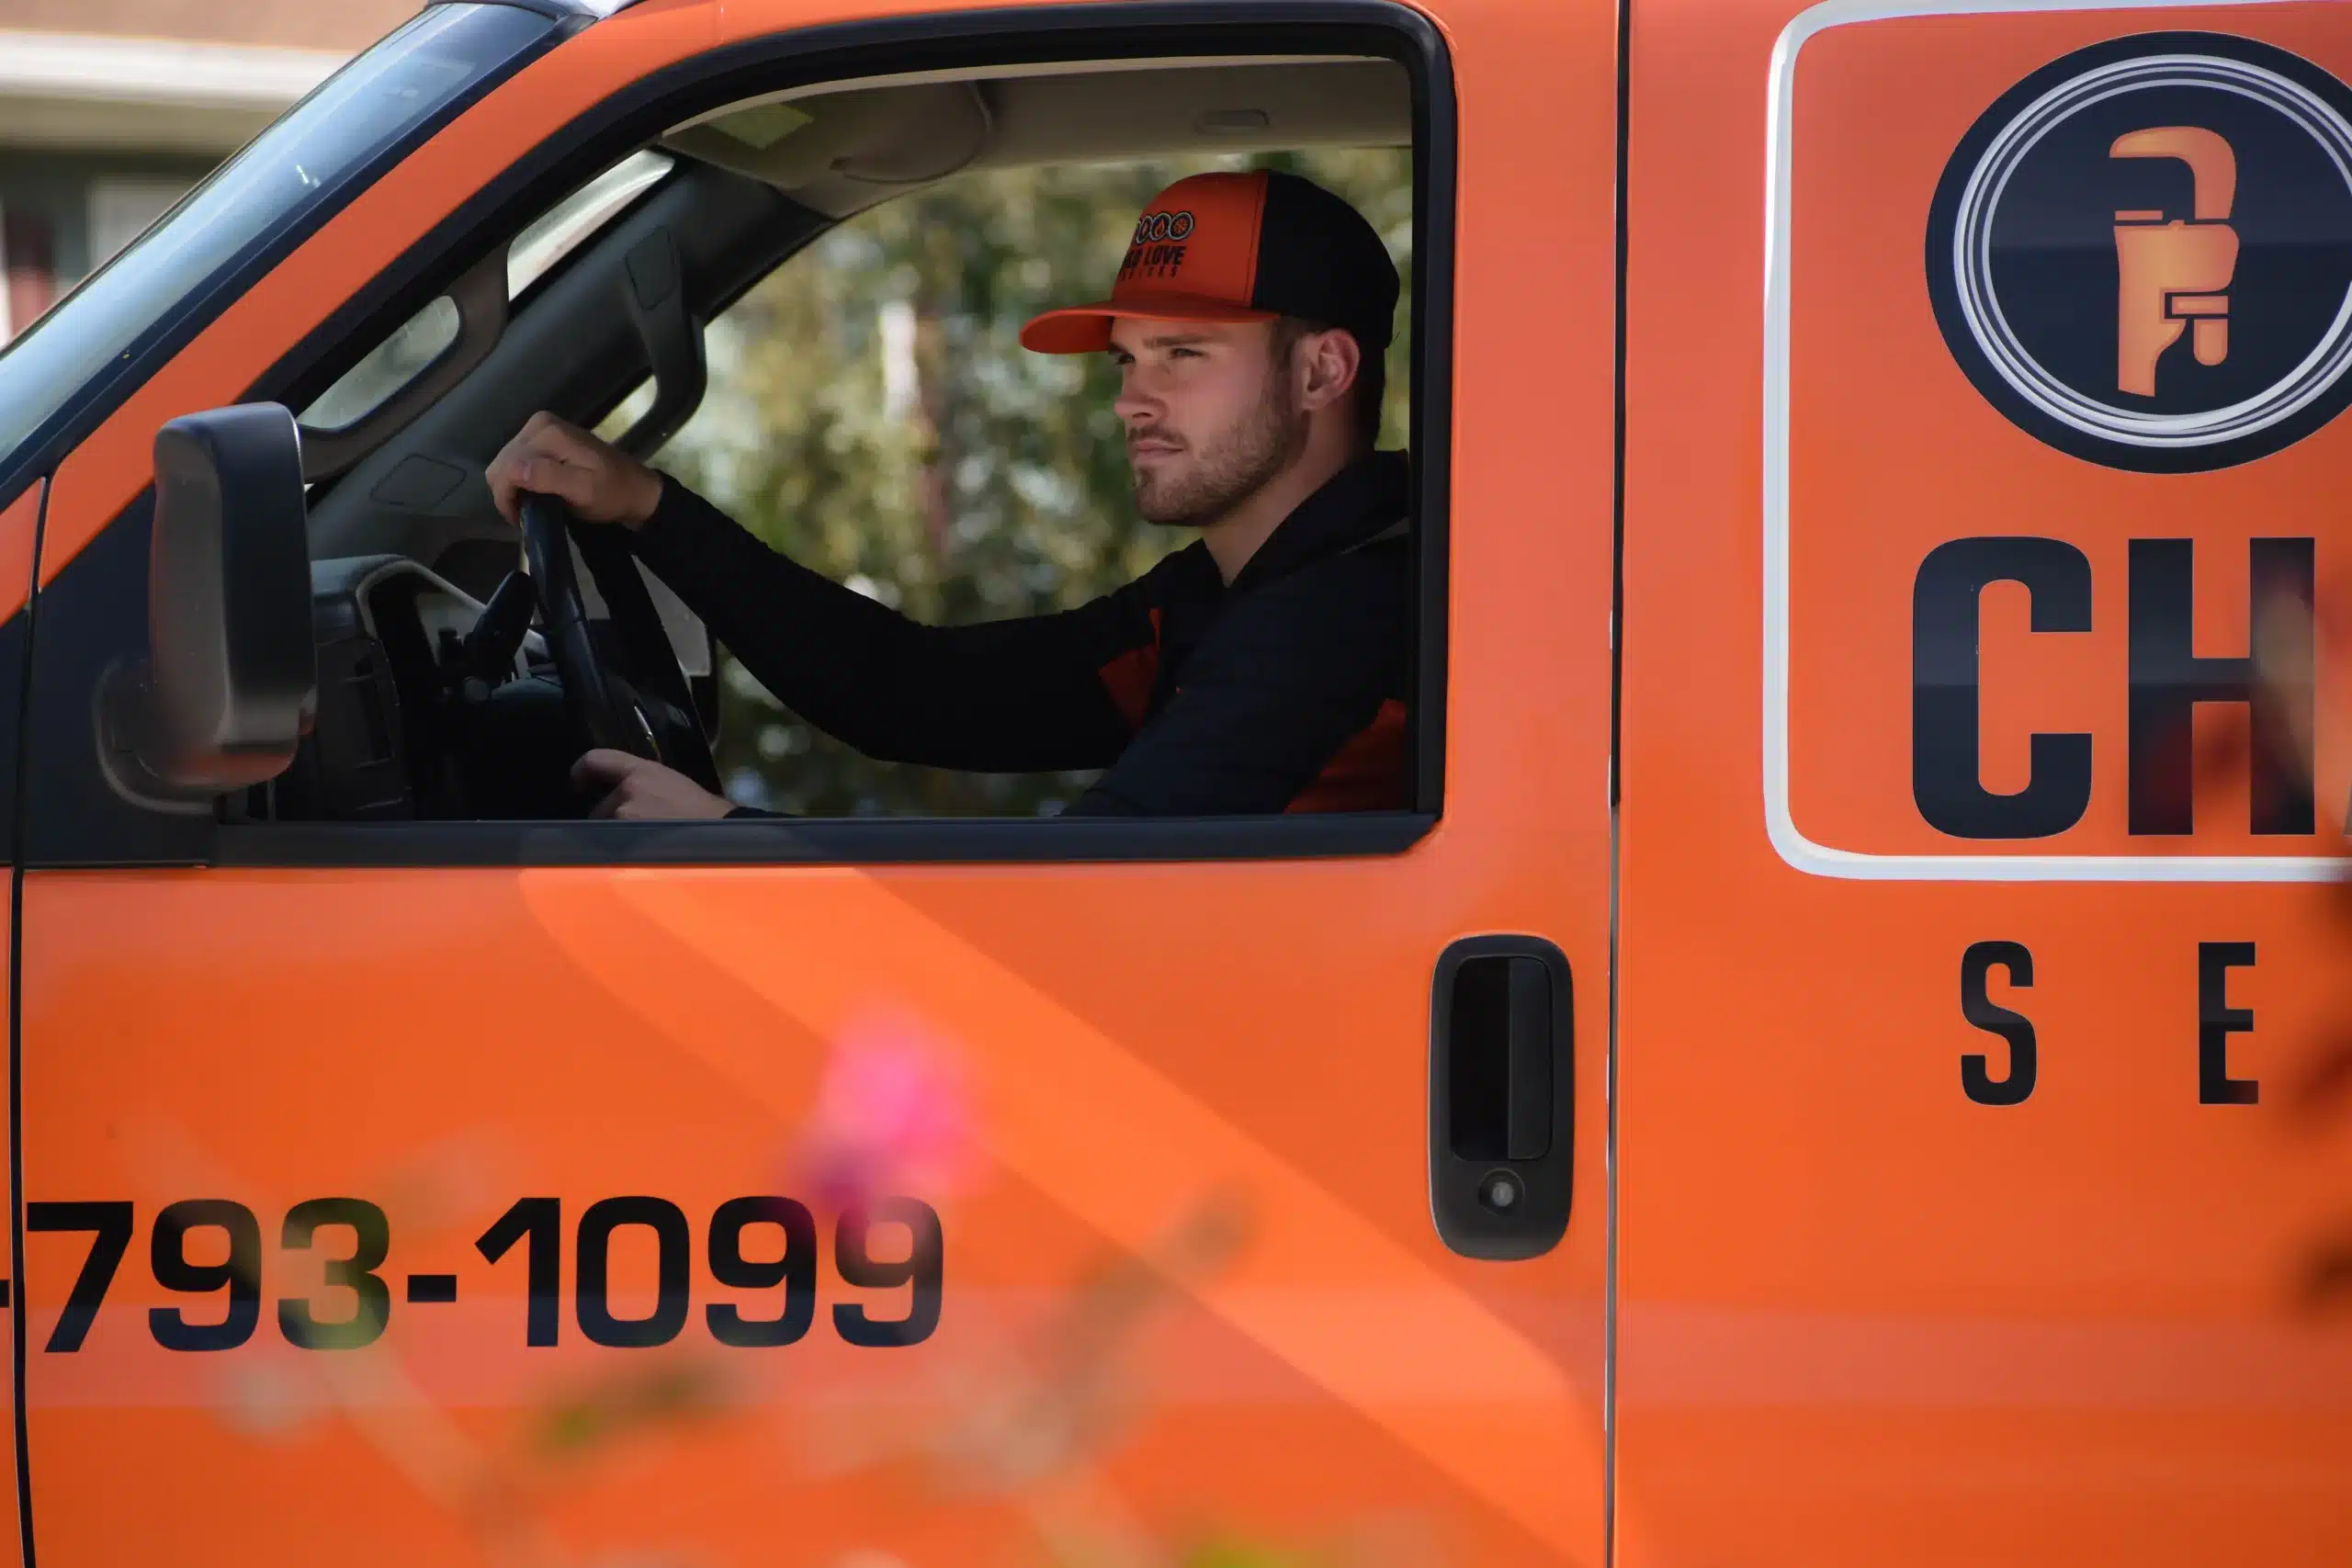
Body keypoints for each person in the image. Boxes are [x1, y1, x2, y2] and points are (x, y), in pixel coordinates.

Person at [484, 169, 1411, 820]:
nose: (1131, 398)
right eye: (1128, 358)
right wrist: (650, 505)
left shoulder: (1343, 610)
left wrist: (726, 844)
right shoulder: (1228, 589)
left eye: (1184, 355)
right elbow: (911, 691)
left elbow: (1082, 905)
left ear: (1320, 371)